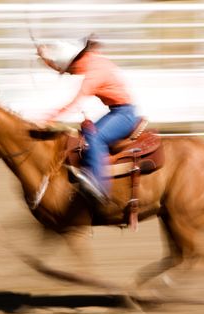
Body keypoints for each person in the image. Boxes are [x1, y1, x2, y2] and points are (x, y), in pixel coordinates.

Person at [36, 35, 141, 203]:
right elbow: (65, 69)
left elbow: (76, 101)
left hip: (124, 114)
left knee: (94, 136)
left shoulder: (95, 72)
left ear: (76, 59)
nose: (71, 70)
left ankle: (98, 185)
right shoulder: (89, 61)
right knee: (87, 133)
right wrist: (46, 59)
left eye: (71, 65)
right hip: (119, 111)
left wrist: (50, 118)